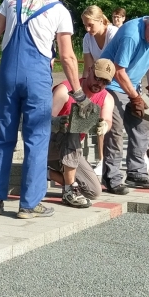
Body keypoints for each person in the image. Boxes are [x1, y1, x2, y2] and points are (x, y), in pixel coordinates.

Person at [0, 0, 86, 219]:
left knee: (2, 136)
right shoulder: (60, 10)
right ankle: (28, 205)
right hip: (37, 78)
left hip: (8, 74)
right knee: (36, 140)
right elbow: (67, 56)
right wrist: (78, 92)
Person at [100, 10, 149, 193]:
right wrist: (135, 97)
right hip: (111, 84)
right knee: (115, 131)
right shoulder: (131, 35)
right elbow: (118, 71)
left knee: (141, 126)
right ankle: (111, 178)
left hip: (131, 84)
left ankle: (136, 173)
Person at [48, 58, 115, 208]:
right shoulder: (65, 90)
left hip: (71, 151)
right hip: (48, 146)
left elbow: (108, 120)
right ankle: (69, 191)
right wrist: (56, 122)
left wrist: (104, 126)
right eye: (97, 78)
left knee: (94, 191)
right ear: (89, 70)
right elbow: (43, 120)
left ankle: (46, 174)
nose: (99, 84)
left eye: (105, 82)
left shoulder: (107, 98)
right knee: (74, 126)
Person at [80, 5, 117, 170]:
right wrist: (83, 91)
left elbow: (117, 64)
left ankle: (108, 160)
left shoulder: (113, 33)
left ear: (101, 21)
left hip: (114, 80)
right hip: (97, 81)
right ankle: (98, 159)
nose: (87, 29)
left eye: (90, 25)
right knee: (89, 113)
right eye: (85, 25)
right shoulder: (87, 38)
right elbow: (88, 68)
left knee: (106, 117)